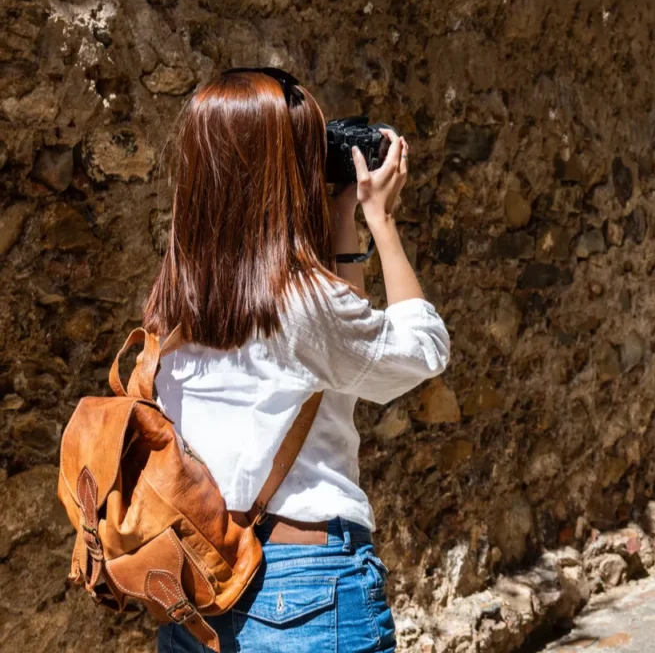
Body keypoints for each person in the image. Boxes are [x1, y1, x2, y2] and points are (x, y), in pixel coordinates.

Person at [146, 69, 449, 652]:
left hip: (196, 587)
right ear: (289, 170)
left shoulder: (174, 301)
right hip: (301, 592)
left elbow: (342, 354)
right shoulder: (301, 304)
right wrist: (379, 220)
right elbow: (423, 350)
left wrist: (340, 221)